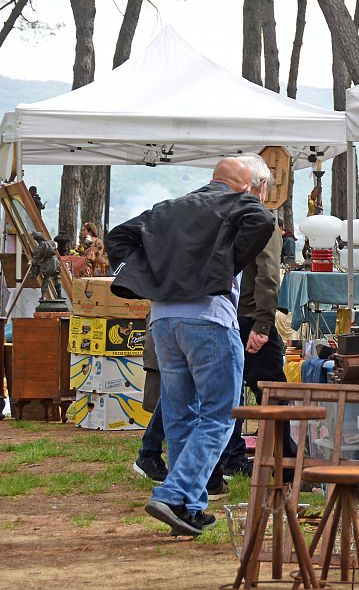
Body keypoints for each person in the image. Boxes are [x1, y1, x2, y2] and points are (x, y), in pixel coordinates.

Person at [106, 157, 274, 537]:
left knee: (181, 415)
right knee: (219, 414)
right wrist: (226, 263)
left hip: (163, 320)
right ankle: (173, 492)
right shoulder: (236, 202)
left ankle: (188, 508)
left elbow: (118, 237)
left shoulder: (169, 207)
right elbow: (263, 220)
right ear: (246, 186)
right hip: (209, 317)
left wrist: (153, 277)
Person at [218, 154, 296, 477]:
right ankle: (285, 464)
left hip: (233, 316)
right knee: (272, 392)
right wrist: (264, 325)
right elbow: (267, 275)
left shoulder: (229, 218)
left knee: (233, 390)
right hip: (251, 318)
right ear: (261, 187)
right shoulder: (260, 220)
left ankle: (235, 456)